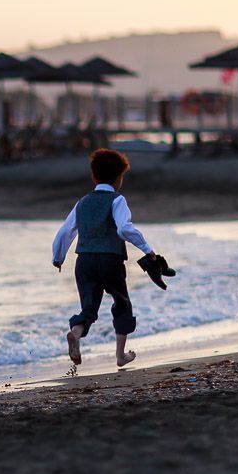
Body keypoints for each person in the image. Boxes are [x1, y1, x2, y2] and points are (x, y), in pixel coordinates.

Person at [51, 148, 160, 369]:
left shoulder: (82, 202)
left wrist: (58, 257)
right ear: (120, 178)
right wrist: (148, 250)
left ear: (93, 177)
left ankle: (75, 334)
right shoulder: (117, 200)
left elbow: (65, 232)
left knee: (88, 308)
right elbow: (125, 229)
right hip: (110, 259)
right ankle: (120, 356)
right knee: (121, 303)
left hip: (85, 261)